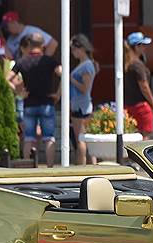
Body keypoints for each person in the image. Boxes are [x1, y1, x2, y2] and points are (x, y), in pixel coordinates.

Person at [8, 34, 62, 165]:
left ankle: (28, 167)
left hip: (29, 103)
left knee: (28, 138)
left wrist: (19, 92)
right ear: (43, 46)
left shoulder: (22, 62)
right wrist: (58, 94)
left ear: (29, 45)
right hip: (47, 103)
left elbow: (7, 79)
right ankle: (50, 167)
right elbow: (63, 75)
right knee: (49, 138)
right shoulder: (49, 60)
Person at [123, 32, 153, 140]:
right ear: (136, 47)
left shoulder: (127, 64)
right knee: (145, 138)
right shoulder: (137, 65)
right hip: (141, 107)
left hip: (129, 105)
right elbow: (144, 86)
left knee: (132, 137)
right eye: (142, 45)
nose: (145, 48)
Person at [70, 34, 97, 165]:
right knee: (84, 139)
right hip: (82, 105)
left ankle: (81, 166)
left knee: (80, 139)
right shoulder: (85, 64)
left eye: (73, 49)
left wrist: (70, 79)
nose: (72, 53)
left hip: (81, 106)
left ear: (80, 48)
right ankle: (91, 164)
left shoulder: (86, 66)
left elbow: (84, 88)